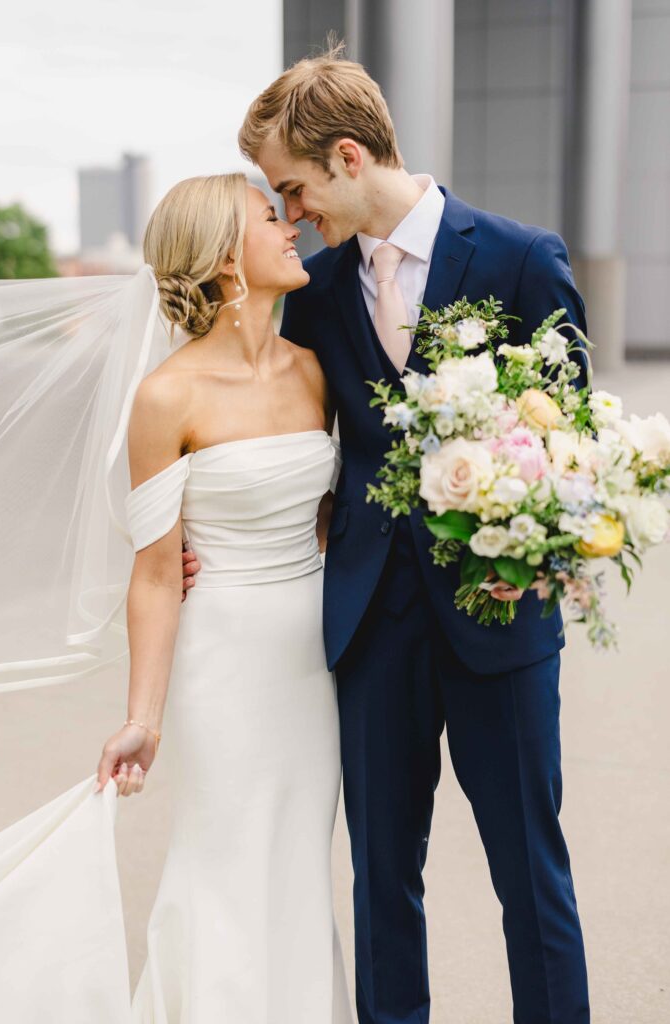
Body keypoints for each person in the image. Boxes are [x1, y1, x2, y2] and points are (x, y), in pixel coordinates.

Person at [186, 45, 590, 1024]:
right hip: (370, 624)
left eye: (292, 188)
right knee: (379, 878)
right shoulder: (315, 294)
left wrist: (527, 548)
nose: (289, 214)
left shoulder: (516, 258)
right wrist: (200, 522)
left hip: (498, 623)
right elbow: (254, 404)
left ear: (349, 157)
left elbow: (576, 446)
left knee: (529, 878)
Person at [0, 173, 353, 1024]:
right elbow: (156, 571)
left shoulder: (314, 370)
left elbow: (335, 509)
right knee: (223, 858)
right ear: (228, 257)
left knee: (296, 863)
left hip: (317, 656)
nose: (291, 225)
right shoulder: (168, 395)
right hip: (224, 661)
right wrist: (142, 721)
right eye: (272, 217)